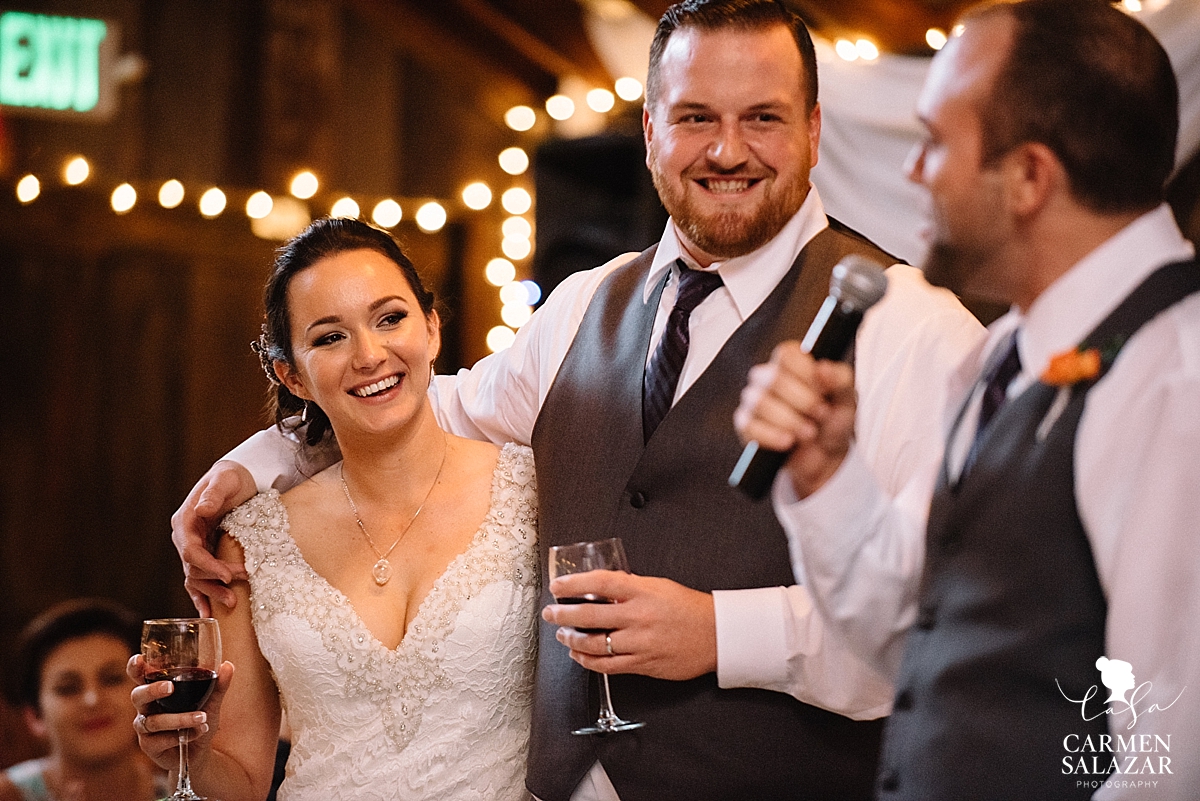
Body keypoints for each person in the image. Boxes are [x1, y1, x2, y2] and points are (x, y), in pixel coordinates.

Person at [171, 2, 983, 799]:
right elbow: (421, 406)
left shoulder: (911, 330)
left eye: (762, 118)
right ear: (650, 129)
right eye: (696, 117)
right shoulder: (580, 306)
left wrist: (720, 633)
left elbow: (946, 624)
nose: (728, 150)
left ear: (812, 129)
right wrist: (251, 463)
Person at [733, 1, 1199, 799]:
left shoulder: (1176, 375)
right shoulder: (997, 354)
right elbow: (905, 637)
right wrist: (825, 476)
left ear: (1028, 177)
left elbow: (1169, 754)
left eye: (937, 140)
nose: (914, 171)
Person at [130, 218, 539, 801]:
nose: (369, 355)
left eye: (390, 318)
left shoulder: (530, 491)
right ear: (291, 374)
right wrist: (189, 755)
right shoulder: (252, 540)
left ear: (432, 328)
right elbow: (243, 782)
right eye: (329, 337)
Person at [0, 599, 168, 801]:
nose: (93, 700)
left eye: (112, 679)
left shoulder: (179, 790)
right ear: (34, 715)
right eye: (68, 689)